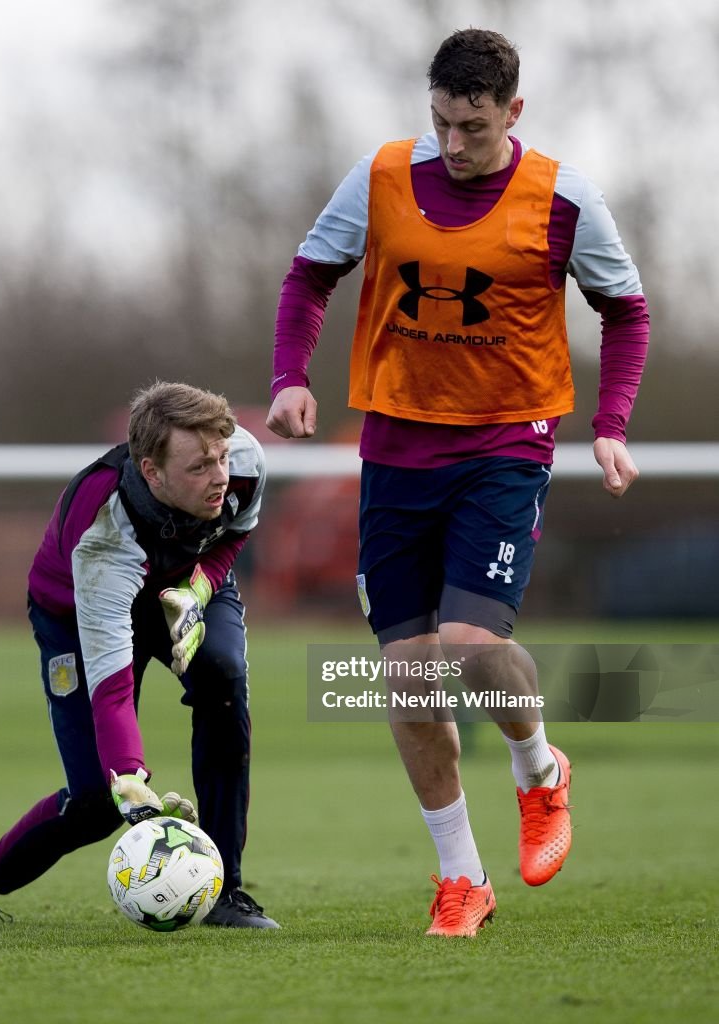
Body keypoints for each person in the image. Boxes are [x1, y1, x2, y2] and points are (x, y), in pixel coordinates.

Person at [267, 28, 648, 936]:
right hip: (394, 450)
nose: (452, 143)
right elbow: (308, 276)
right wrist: (288, 376)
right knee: (406, 680)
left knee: (474, 644)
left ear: (512, 112)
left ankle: (537, 769)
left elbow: (624, 310)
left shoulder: (562, 196)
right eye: (438, 121)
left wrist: (609, 428)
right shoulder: (379, 178)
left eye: (471, 126)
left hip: (503, 449)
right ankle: (461, 879)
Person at [0, 381, 278, 929]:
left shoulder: (242, 458)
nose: (220, 476)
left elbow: (233, 534)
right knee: (98, 801)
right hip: (77, 612)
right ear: (151, 471)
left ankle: (226, 892)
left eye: (221, 458)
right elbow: (112, 686)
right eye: (199, 467)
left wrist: (197, 594)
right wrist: (129, 778)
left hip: (182, 586)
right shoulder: (104, 535)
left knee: (224, 681)